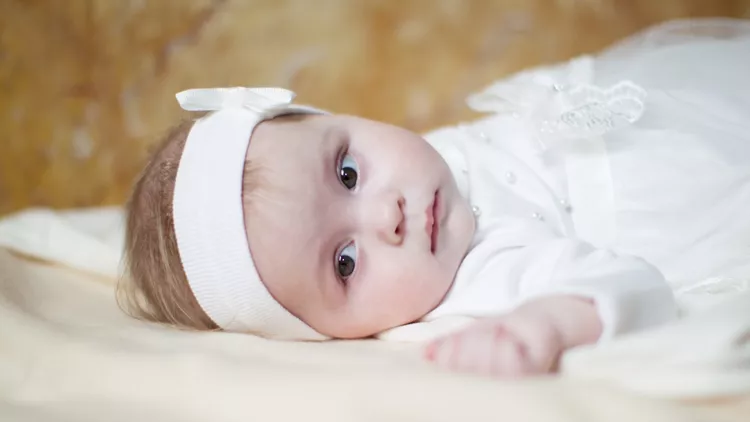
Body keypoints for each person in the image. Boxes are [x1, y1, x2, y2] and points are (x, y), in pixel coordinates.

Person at [120, 18, 750, 378]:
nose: (385, 215)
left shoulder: (426, 165)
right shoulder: (475, 277)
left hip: (663, 109)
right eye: (345, 262)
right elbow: (627, 285)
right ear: (332, 334)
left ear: (340, 118)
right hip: (697, 192)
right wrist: (547, 324)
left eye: (346, 173)